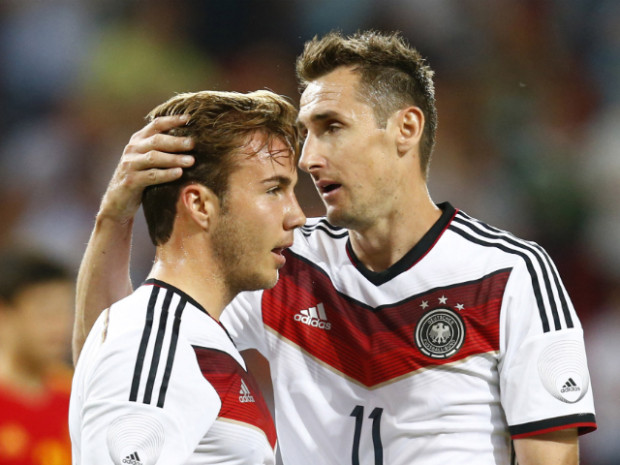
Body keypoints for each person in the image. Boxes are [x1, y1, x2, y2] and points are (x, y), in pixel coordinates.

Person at [73, 31, 597, 465]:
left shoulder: (511, 275)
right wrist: (114, 217)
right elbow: (118, 352)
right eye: (305, 134)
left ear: (405, 129)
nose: (309, 158)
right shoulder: (283, 262)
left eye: (331, 128)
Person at [69, 90, 306, 464]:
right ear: (199, 204)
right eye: (274, 189)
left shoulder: (177, 335)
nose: (297, 215)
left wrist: (113, 218)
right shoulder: (148, 339)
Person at [0, 248, 74, 465]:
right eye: (46, 313)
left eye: (65, 312)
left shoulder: (78, 395)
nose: (59, 327)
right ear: (4, 314)